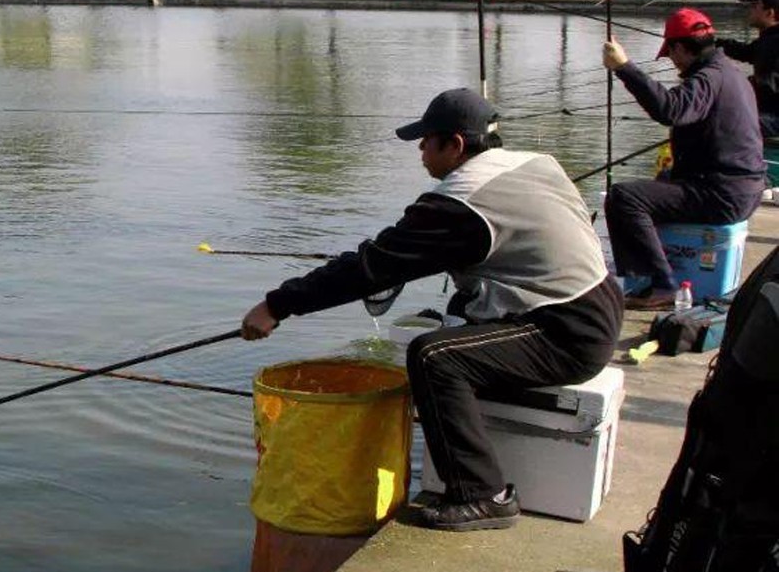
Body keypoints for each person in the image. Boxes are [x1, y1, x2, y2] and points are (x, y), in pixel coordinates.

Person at [240, 89, 622, 531]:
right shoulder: (534, 163)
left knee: (433, 356)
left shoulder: (459, 202)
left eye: (426, 142)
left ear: (455, 145)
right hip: (597, 302)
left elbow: (367, 269)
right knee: (456, 319)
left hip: (567, 333)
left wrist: (276, 305)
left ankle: (482, 495)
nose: (420, 152)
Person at [602, 8, 766, 309]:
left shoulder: (708, 78)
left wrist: (624, 67)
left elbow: (670, 110)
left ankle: (661, 285)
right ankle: (649, 275)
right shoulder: (732, 74)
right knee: (661, 183)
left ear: (680, 47)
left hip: (722, 194)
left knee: (623, 197)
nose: (673, 62)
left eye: (671, 53)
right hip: (744, 189)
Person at [716, 0, 779, 138]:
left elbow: (769, 87)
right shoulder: (769, 39)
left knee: (721, 120)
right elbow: (747, 52)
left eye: (755, 6)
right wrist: (714, 44)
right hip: (769, 114)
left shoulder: (774, 42)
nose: (750, 11)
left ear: (769, 13)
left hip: (774, 118)